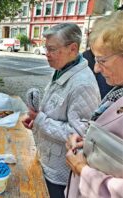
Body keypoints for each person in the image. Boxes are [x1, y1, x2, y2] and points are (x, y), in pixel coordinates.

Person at [22, 23, 100, 198]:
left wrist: (40, 119)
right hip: (48, 159)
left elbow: (80, 135)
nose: (46, 54)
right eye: (46, 48)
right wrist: (36, 121)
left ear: (72, 49)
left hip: (60, 172)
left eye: (52, 49)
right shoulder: (63, 69)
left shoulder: (83, 84)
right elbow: (56, 110)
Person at [66, 11, 123, 198]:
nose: (96, 68)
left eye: (102, 60)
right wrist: (90, 143)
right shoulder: (118, 90)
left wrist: (83, 170)